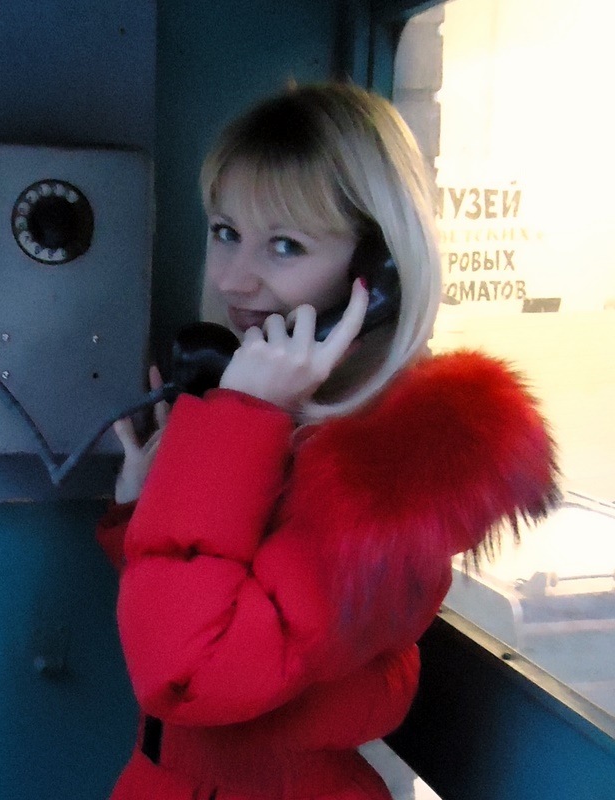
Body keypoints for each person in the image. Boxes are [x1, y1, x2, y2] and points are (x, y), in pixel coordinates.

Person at [97, 82, 558, 800]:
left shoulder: (389, 470)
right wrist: (145, 502)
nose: (233, 279)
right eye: (225, 231)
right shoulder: (282, 416)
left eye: (285, 245)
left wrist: (232, 427)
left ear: (379, 275)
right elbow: (202, 603)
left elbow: (188, 672)